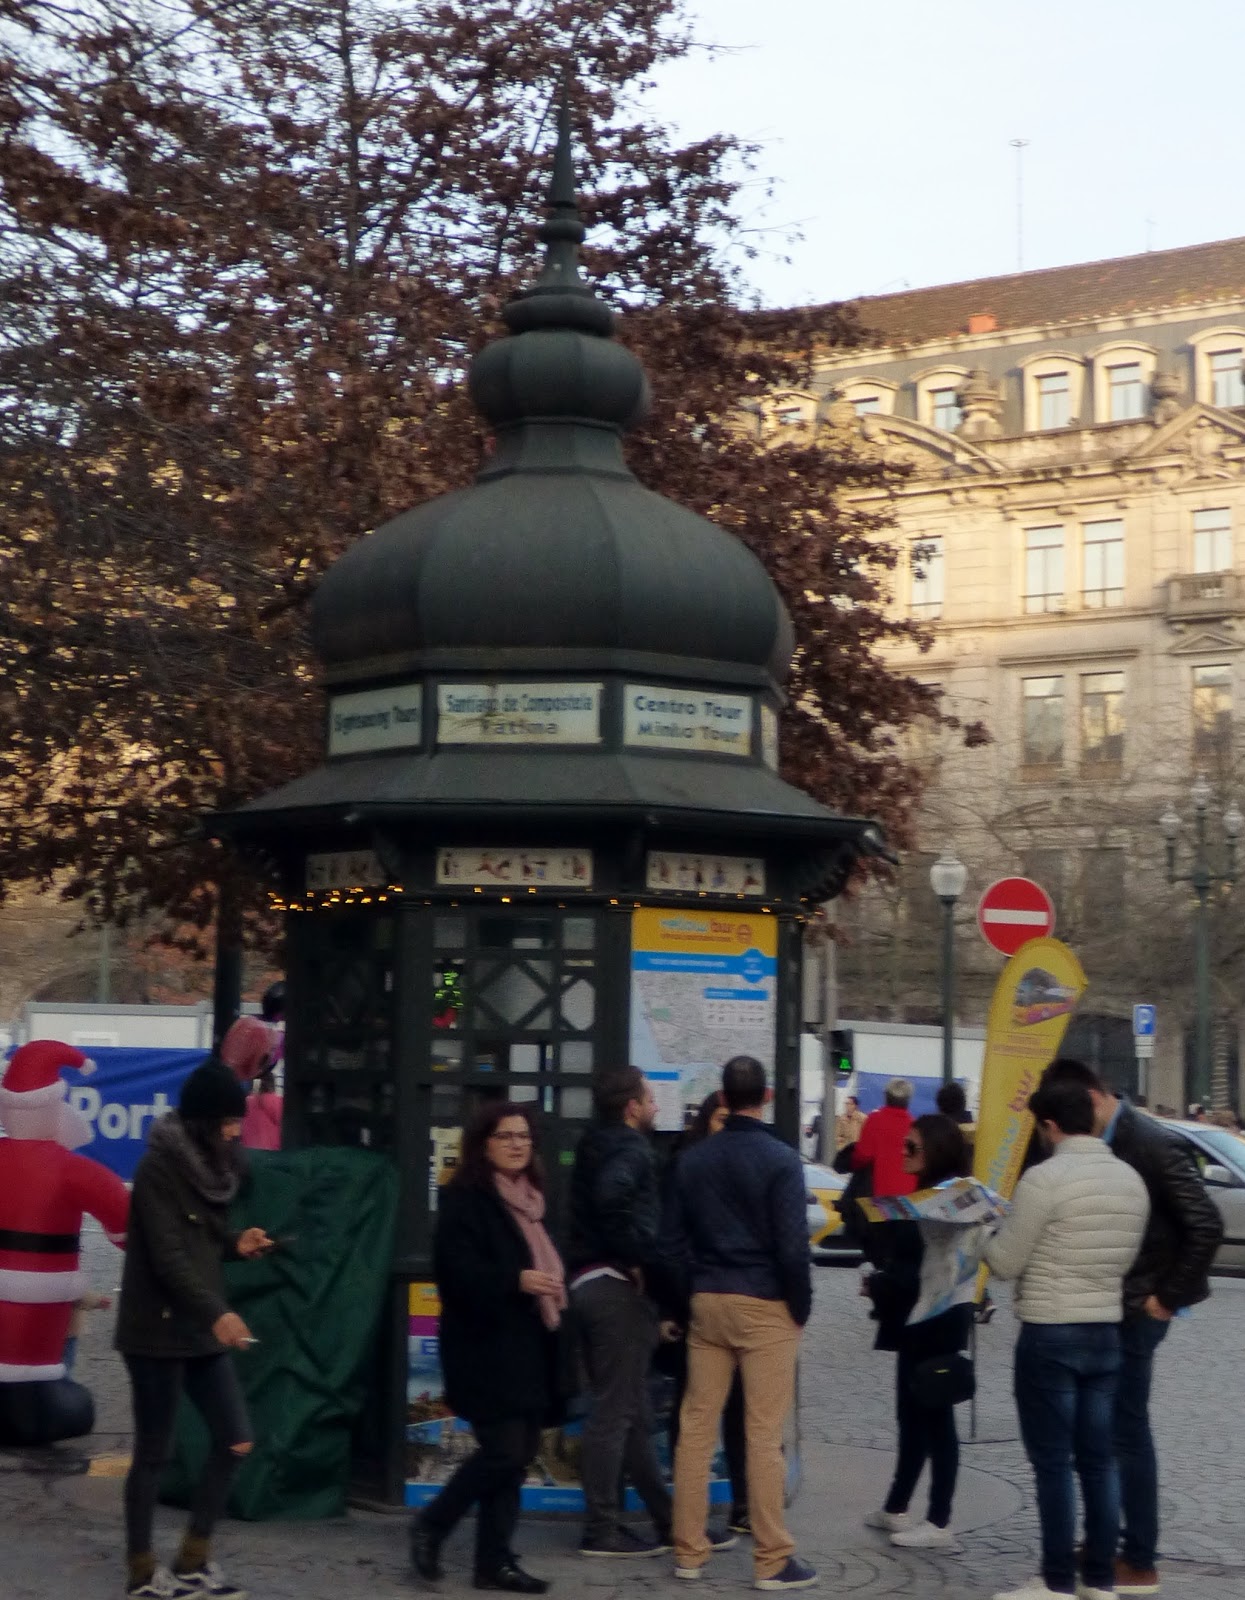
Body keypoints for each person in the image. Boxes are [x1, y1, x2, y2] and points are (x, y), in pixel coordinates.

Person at [1039, 1059, 1223, 1595]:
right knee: (1104, 1431)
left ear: (1094, 1097)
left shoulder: (1149, 1142)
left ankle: (1139, 1557)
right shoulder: (1110, 1140)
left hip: (1139, 1308)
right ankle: (1108, 1543)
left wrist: (1165, 1298)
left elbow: (1206, 1223)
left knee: (1125, 1431)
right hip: (1113, 1304)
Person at [983, 1078, 1149, 1600]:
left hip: (1050, 1331)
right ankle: (1099, 1577)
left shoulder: (1043, 1179)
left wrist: (982, 1231)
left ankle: (1056, 1580)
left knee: (1053, 1462)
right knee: (1098, 1461)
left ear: (1050, 1125)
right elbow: (1125, 1258)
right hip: (1105, 1331)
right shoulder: (1130, 1180)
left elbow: (1006, 1262)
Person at [116, 1063, 274, 1600]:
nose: (236, 1131)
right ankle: (141, 1571)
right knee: (154, 1453)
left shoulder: (210, 1167)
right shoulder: (158, 1169)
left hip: (198, 1328)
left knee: (236, 1438)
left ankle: (192, 1560)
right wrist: (218, 1314)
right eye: (229, 1122)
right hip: (156, 1330)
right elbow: (169, 1258)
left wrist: (236, 1244)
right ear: (204, 1122)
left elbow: (202, 1239)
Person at [666, 1056, 817, 1592]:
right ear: (766, 1097)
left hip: (708, 1298)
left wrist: (688, 1297)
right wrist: (799, 1307)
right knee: (762, 1432)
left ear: (724, 1098)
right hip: (765, 1301)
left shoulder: (693, 1160)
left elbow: (671, 1243)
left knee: (696, 1427)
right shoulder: (781, 1159)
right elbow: (793, 1247)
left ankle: (688, 1550)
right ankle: (772, 1558)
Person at [410, 1102, 564, 1594]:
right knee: (503, 1451)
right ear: (484, 1145)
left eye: (524, 1136)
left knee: (519, 1457)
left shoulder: (533, 1199)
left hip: (528, 1345)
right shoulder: (466, 1199)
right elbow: (456, 1273)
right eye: (506, 1136)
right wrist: (516, 1279)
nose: (518, 1145)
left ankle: (494, 1562)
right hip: (482, 1347)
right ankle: (432, 1523)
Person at [566, 1066, 673, 1558]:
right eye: (649, 1099)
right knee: (614, 1414)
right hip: (613, 1288)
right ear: (632, 1107)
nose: (655, 1106)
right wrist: (634, 1258)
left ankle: (667, 1521)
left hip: (589, 1282)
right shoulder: (631, 1149)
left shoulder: (596, 1143)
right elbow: (614, 1199)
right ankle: (601, 1529)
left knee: (633, 1413)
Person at [863, 1113, 972, 1552]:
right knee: (912, 1415)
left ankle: (940, 1520)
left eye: (912, 1147)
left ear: (936, 1152)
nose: (903, 1153)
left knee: (935, 1419)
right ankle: (896, 1505)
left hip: (935, 1318)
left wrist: (876, 1284)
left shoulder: (942, 1203)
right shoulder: (941, 1197)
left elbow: (918, 1271)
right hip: (929, 1318)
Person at [662, 1090, 749, 1536]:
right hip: (694, 1305)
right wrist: (678, 1303)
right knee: (694, 1411)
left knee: (740, 1410)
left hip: (735, 1302)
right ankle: (688, 1514)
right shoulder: (688, 1166)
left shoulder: (744, 1166)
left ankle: (742, 1503)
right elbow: (671, 1242)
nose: (726, 1126)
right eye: (719, 1118)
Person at [218, 1016, 283, 1152]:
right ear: (273, 1084)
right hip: (272, 1156)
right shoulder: (278, 1103)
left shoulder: (246, 1102)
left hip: (248, 1154)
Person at [852, 1079, 916, 1198]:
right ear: (908, 1100)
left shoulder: (875, 1120)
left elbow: (862, 1156)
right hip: (909, 1196)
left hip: (879, 1193)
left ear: (886, 1096)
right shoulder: (914, 1126)